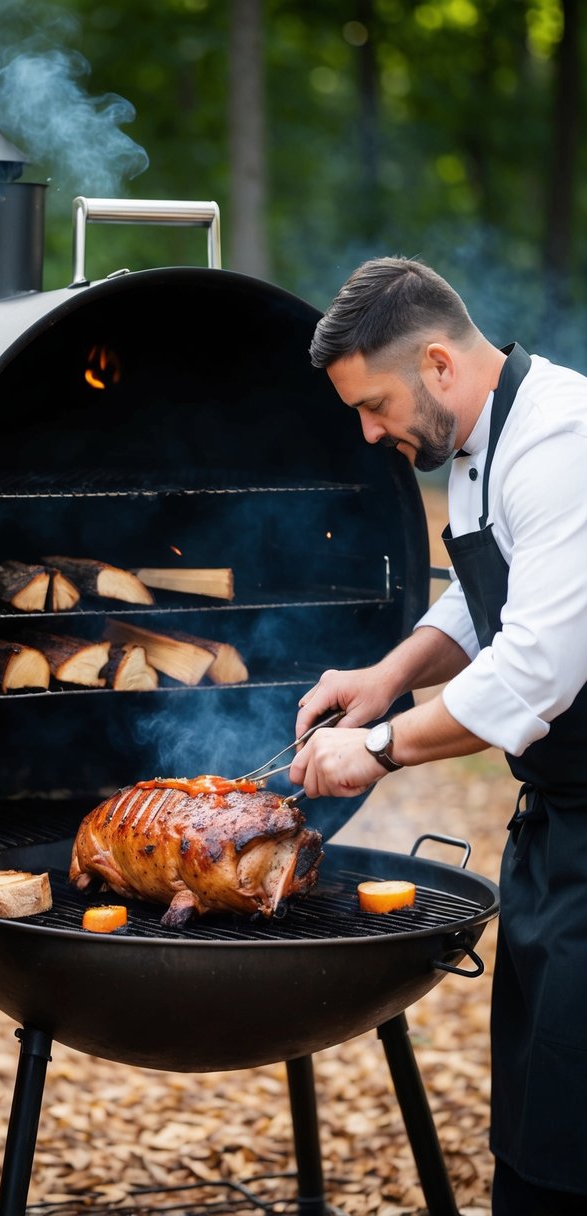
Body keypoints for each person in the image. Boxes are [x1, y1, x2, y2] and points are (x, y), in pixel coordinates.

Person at [290, 256, 587, 1216]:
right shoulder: (474, 440)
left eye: (374, 405)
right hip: (561, 825)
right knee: (540, 1114)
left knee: (568, 1138)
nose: (370, 431)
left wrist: (375, 751)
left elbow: (535, 665)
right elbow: (486, 589)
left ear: (437, 363)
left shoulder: (562, 445)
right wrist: (388, 674)